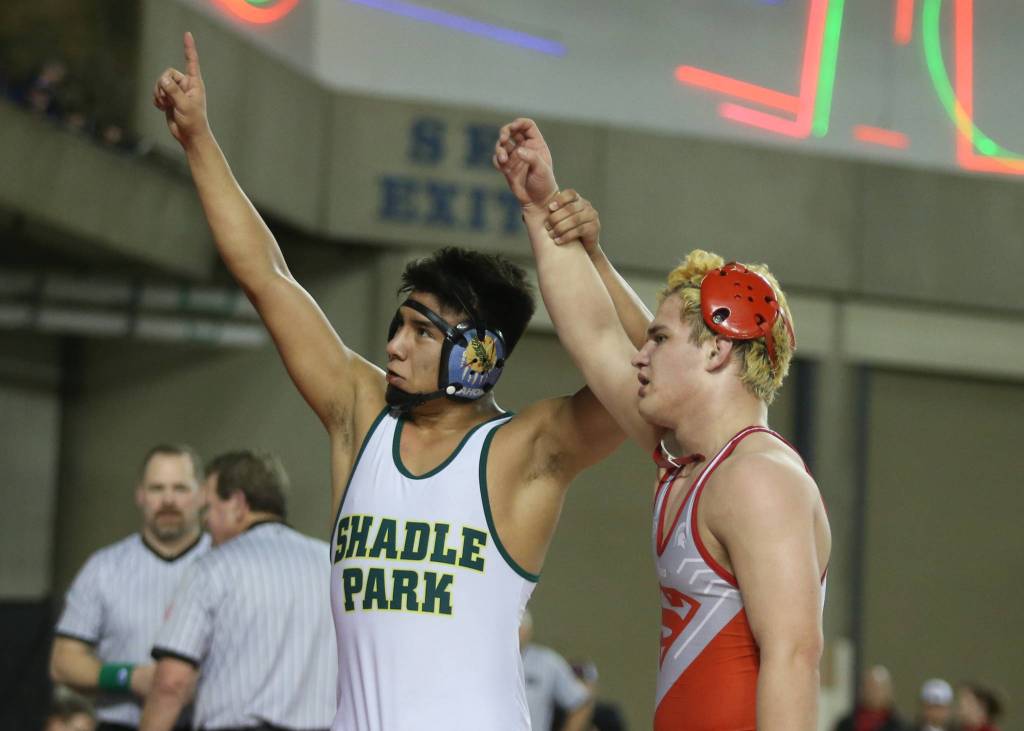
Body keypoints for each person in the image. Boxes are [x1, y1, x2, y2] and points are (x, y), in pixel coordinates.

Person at [152, 33, 624, 731]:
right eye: (399, 324)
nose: (394, 346)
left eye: (422, 332)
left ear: (477, 355)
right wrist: (197, 139)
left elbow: (642, 378)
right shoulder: (361, 412)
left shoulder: (528, 449)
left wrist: (579, 247)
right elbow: (267, 276)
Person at [494, 118, 831, 731]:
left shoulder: (760, 479)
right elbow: (595, 336)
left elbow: (795, 656)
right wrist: (542, 208)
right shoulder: (685, 465)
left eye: (659, 339)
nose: (639, 355)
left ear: (716, 352)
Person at [140, 451, 336, 731]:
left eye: (208, 507)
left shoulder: (213, 568)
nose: (205, 521)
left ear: (238, 504)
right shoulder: (332, 564)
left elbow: (172, 683)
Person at [51, 444, 209, 731]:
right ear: (140, 495)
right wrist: (130, 677)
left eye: (181, 488)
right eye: (157, 489)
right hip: (121, 723)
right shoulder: (104, 567)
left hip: (205, 722)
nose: (168, 500)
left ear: (202, 495)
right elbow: (63, 662)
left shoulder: (228, 566)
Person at [519, 610, 594, 731]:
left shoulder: (547, 662)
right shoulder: (485, 660)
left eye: (520, 626)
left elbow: (581, 702)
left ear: (528, 630)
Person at [833, 665, 908, 731]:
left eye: (878, 688)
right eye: (869, 686)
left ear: (888, 691)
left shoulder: (900, 726)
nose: (872, 692)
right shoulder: (846, 724)